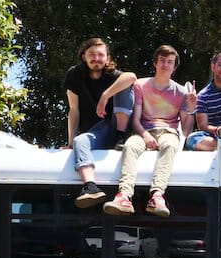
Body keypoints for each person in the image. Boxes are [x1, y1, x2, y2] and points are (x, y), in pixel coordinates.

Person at [100, 45, 195, 217]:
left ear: (175, 67)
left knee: (170, 147)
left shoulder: (181, 92)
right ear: (155, 63)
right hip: (144, 131)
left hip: (169, 132)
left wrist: (191, 108)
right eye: (162, 61)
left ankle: (157, 195)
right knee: (129, 146)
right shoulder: (140, 85)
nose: (165, 65)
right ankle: (124, 196)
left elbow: (186, 130)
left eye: (170, 62)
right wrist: (145, 135)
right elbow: (135, 120)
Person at [63, 38, 136, 208]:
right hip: (97, 132)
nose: (96, 59)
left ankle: (120, 136)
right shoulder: (74, 75)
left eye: (100, 55)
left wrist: (105, 96)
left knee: (124, 85)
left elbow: (131, 77)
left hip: (116, 124)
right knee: (79, 141)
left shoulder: (113, 75)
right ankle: (90, 186)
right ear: (83, 57)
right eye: (92, 55)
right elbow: (74, 110)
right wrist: (69, 142)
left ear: (107, 58)